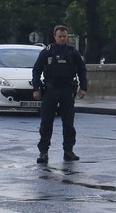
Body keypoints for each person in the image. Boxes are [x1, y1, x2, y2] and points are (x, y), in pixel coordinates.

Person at [31, 25, 87, 164]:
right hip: (50, 90)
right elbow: (37, 70)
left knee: (68, 123)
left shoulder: (72, 52)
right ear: (55, 37)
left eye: (64, 36)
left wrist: (83, 87)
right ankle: (43, 152)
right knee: (46, 123)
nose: (62, 39)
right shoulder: (47, 52)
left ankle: (68, 151)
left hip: (67, 90)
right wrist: (36, 88)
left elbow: (82, 70)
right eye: (60, 36)